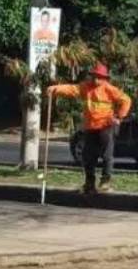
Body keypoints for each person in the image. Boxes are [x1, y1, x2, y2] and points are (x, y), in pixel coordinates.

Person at [47, 63, 132, 195]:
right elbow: (72, 89)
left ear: (105, 78)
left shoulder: (109, 89)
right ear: (91, 76)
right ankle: (89, 184)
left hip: (106, 126)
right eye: (94, 77)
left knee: (106, 155)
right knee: (88, 156)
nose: (96, 80)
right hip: (91, 127)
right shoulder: (86, 87)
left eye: (100, 77)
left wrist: (119, 117)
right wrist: (56, 89)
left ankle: (105, 182)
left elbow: (126, 100)